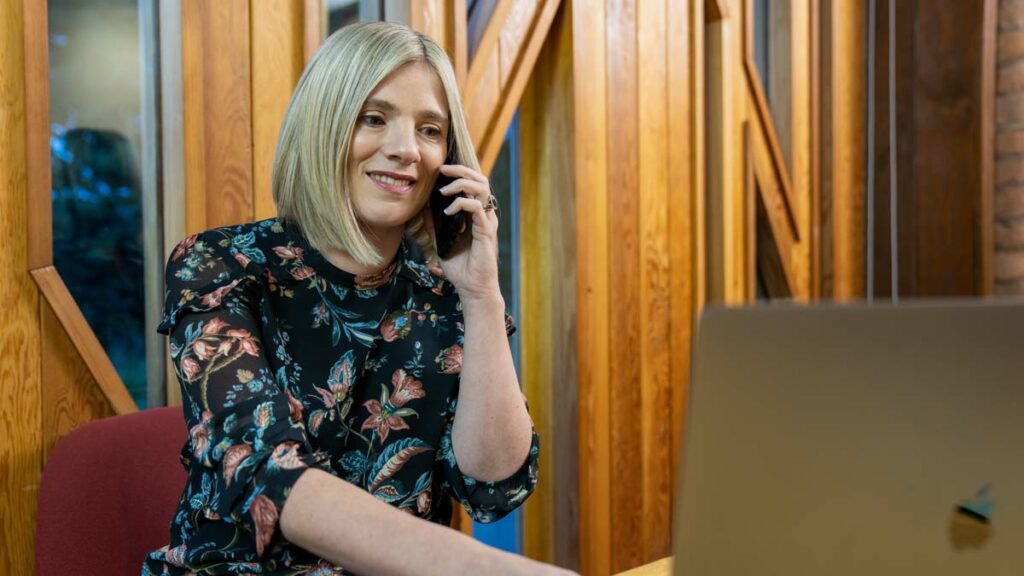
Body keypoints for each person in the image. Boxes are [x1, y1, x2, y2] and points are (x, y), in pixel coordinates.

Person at [144, 22, 574, 576]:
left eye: (430, 129)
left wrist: (482, 295)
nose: (404, 151)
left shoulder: (443, 299)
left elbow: (495, 488)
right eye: (374, 118)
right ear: (324, 127)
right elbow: (269, 475)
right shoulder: (220, 264)